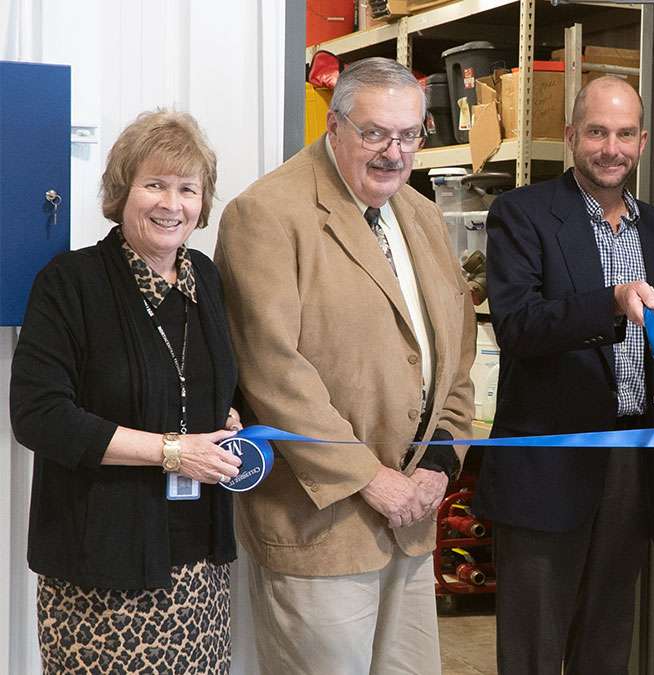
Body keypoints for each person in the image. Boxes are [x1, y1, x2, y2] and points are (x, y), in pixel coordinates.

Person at [215, 57, 475, 674]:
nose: (394, 152)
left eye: (408, 135)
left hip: (411, 519)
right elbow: (273, 371)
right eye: (374, 133)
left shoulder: (422, 215)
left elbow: (455, 349)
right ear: (334, 126)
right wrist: (371, 478)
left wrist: (440, 461)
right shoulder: (266, 214)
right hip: (320, 523)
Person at [474, 75, 654, 674]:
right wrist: (610, 301)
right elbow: (517, 324)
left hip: (635, 465)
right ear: (572, 135)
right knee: (534, 652)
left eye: (625, 134)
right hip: (548, 467)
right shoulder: (523, 215)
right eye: (597, 131)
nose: (610, 147)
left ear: (644, 141)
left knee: (606, 646)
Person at [10, 110, 243, 673]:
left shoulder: (205, 279)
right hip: (99, 570)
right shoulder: (70, 283)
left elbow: (205, 385)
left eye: (188, 188)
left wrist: (229, 417)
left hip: (197, 568)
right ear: (122, 191)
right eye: (155, 184)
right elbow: (39, 416)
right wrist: (171, 451)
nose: (172, 203)